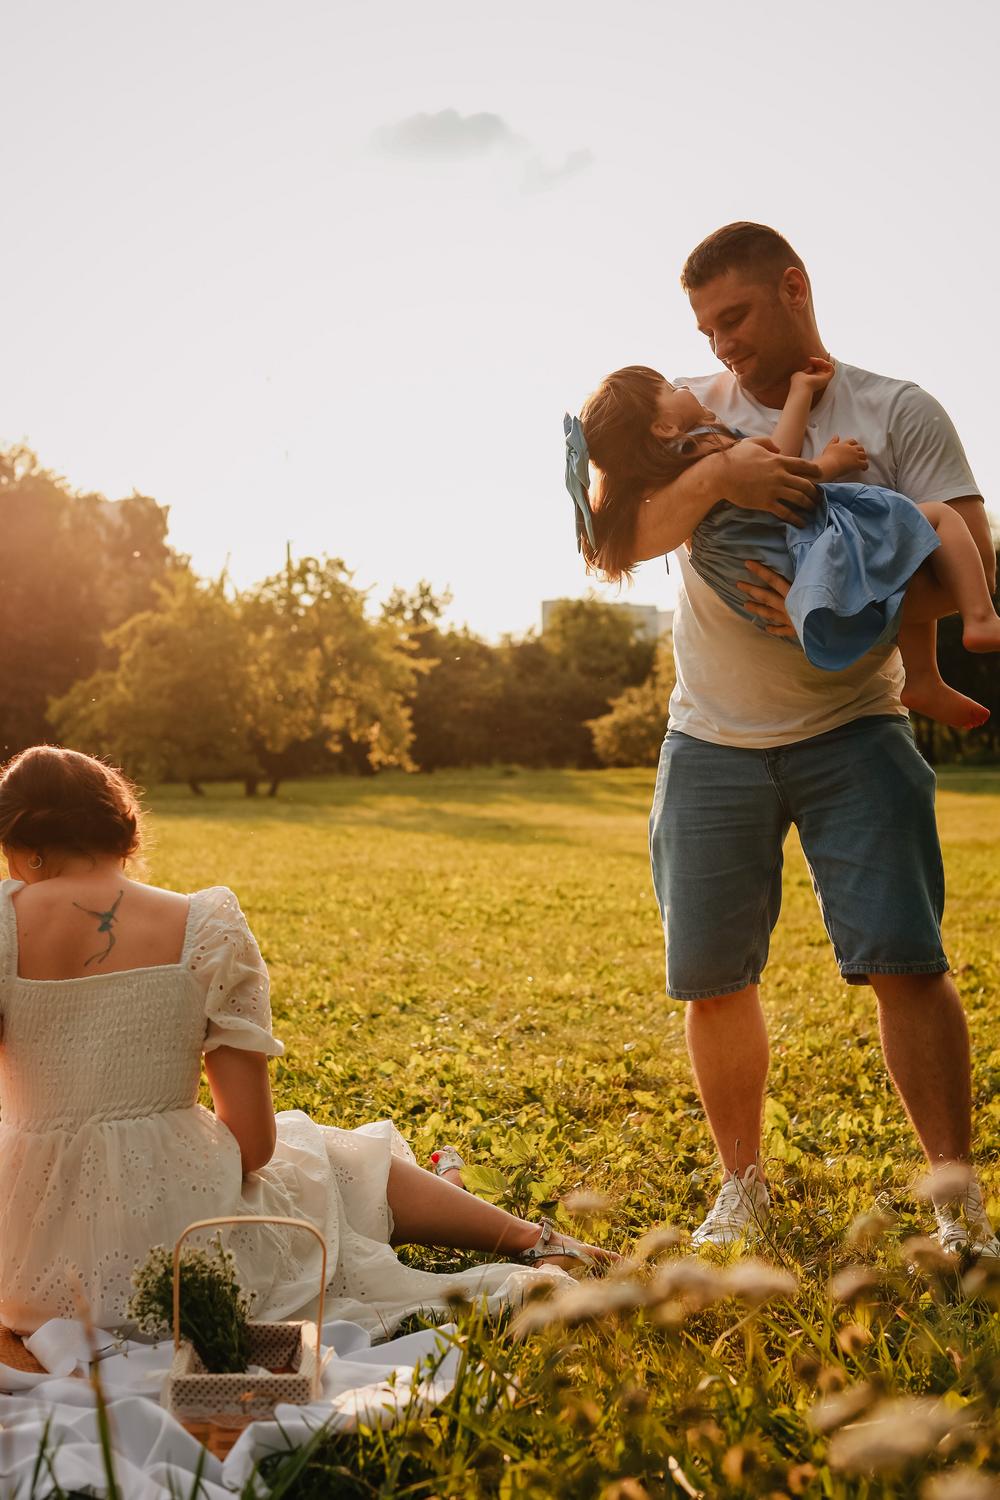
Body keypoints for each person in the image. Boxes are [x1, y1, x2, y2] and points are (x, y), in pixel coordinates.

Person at [572, 222, 998, 1255]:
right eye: (703, 326)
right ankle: (741, 1188)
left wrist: (836, 578)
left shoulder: (897, 409)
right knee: (713, 976)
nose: (719, 347)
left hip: (855, 727)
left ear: (794, 288)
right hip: (709, 740)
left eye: (736, 318)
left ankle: (957, 1209)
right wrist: (721, 484)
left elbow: (966, 552)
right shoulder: (681, 417)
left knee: (906, 960)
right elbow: (608, 542)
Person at [0, 745, 613, 1337]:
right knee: (313, 1154)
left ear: (23, 849)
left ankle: (471, 1214)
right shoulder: (204, 926)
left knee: (312, 1171)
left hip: (25, 1275)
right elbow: (253, 1142)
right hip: (185, 1260)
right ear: (126, 833)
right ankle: (541, 1244)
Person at [568, 356, 1000, 726]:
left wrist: (797, 391)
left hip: (778, 592)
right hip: (807, 560)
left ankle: (923, 682)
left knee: (899, 563)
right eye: (666, 387)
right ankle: (981, 619)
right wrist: (830, 458)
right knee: (932, 522)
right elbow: (786, 466)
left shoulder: (668, 484)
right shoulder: (716, 448)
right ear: (663, 427)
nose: (679, 386)